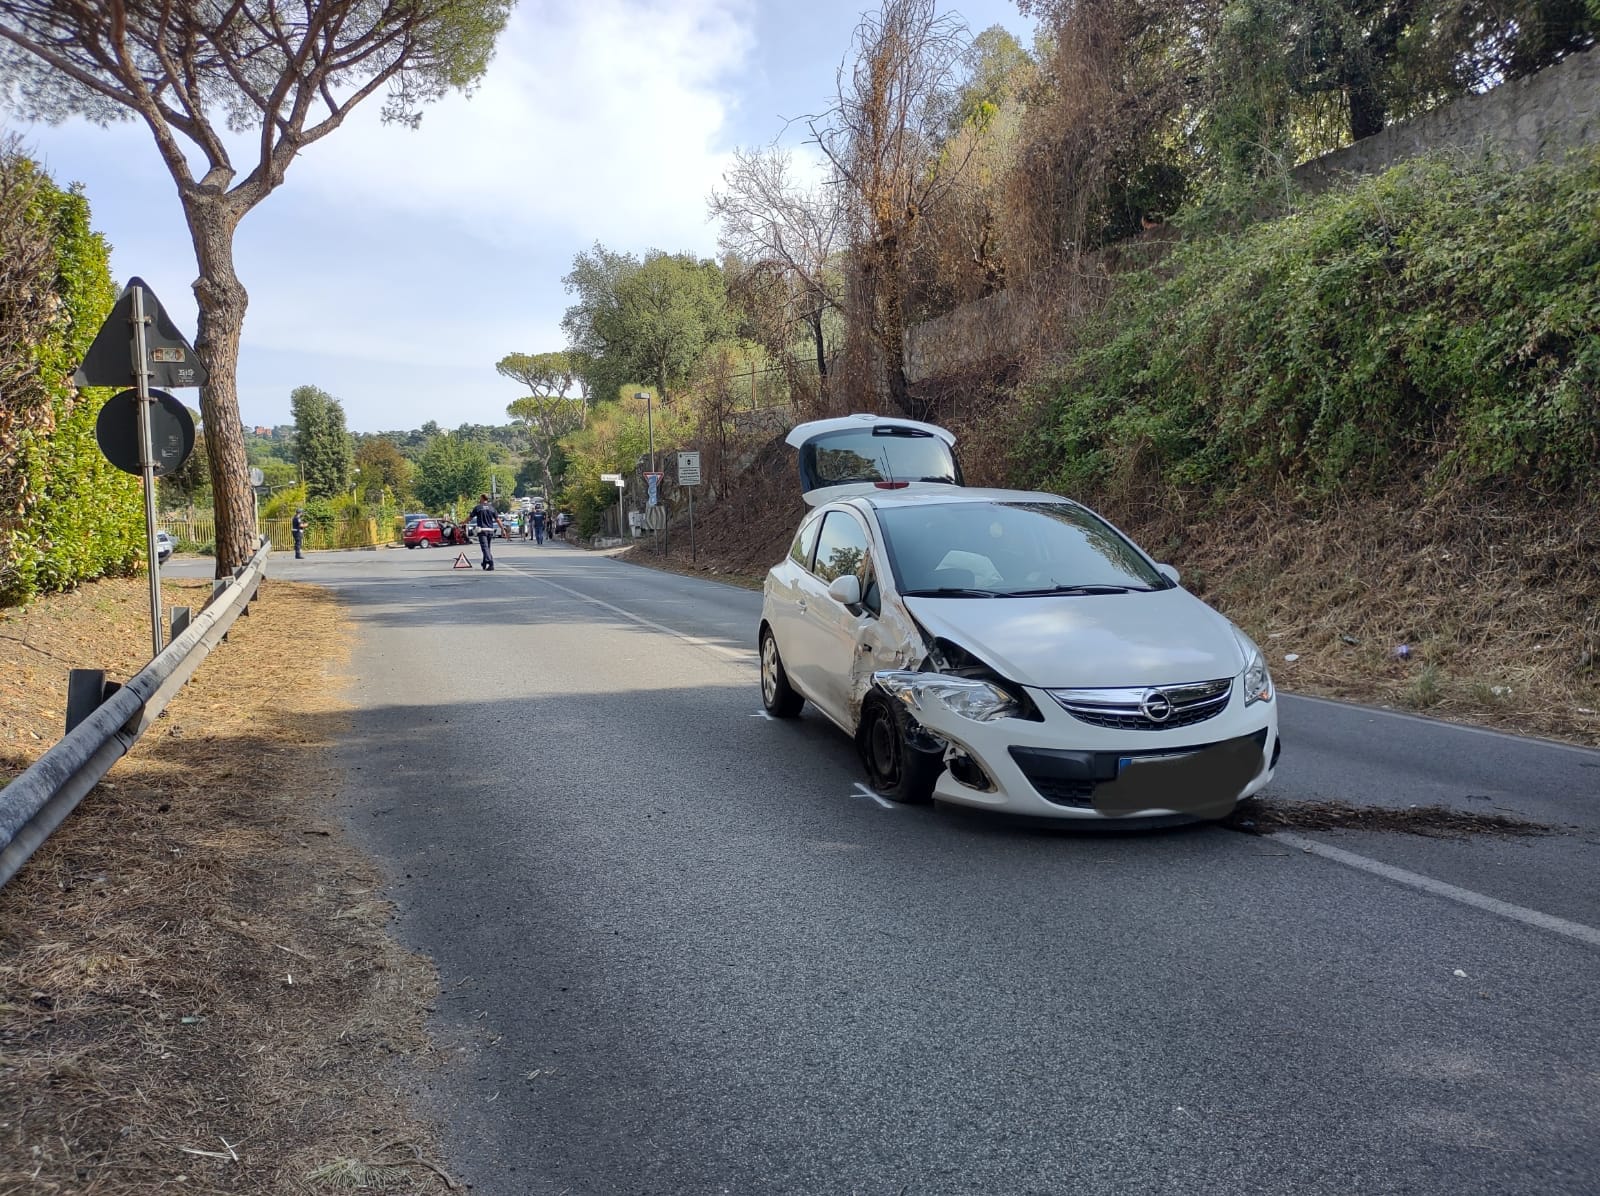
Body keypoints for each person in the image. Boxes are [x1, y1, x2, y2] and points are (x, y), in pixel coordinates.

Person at [469, 494, 498, 571]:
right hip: (490, 530)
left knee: (484, 548)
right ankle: (484, 562)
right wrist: (502, 529)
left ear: (482, 498)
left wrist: (463, 522)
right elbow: (498, 520)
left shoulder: (478, 508)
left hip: (482, 530)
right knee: (487, 548)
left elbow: (470, 517)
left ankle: (490, 562)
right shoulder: (492, 508)